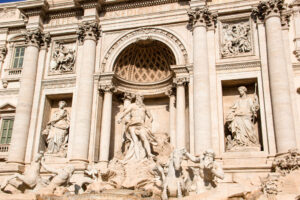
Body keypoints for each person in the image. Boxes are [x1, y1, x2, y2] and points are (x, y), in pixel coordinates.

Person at [117, 94, 156, 161]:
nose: (140, 100)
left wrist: (148, 123)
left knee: (145, 139)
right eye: (139, 98)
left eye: (141, 98)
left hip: (141, 125)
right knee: (135, 141)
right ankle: (138, 158)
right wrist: (120, 118)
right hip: (132, 124)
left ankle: (149, 154)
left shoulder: (144, 107)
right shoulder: (132, 105)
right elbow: (125, 112)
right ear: (137, 98)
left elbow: (151, 117)